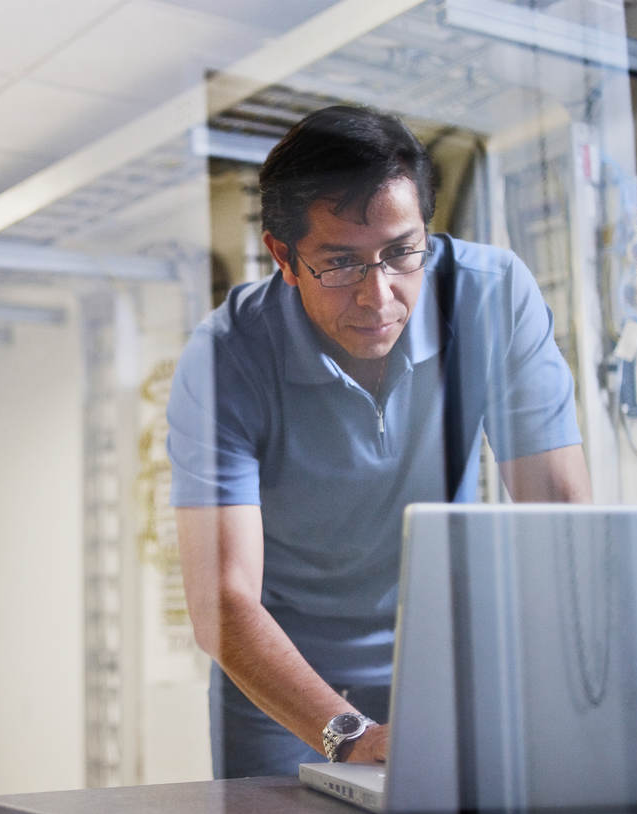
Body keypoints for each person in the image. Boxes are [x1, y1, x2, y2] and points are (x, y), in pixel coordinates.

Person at [166, 105, 592, 779]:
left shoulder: (492, 295)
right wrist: (346, 733)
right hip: (282, 683)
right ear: (284, 257)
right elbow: (223, 601)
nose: (379, 295)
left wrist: (571, 683)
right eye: (340, 263)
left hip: (438, 660)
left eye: (401, 253)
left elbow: (560, 517)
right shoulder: (226, 357)